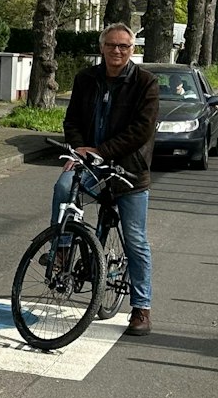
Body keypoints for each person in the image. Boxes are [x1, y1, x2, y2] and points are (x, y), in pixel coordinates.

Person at [55, 22, 160, 336]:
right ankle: (61, 249)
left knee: (136, 240)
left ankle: (141, 308)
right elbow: (71, 120)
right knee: (62, 187)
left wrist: (101, 150)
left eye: (124, 47)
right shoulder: (86, 79)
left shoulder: (145, 82)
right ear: (101, 48)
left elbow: (141, 131)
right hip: (91, 164)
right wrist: (79, 150)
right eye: (111, 45)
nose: (117, 51)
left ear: (132, 50)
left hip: (129, 170)